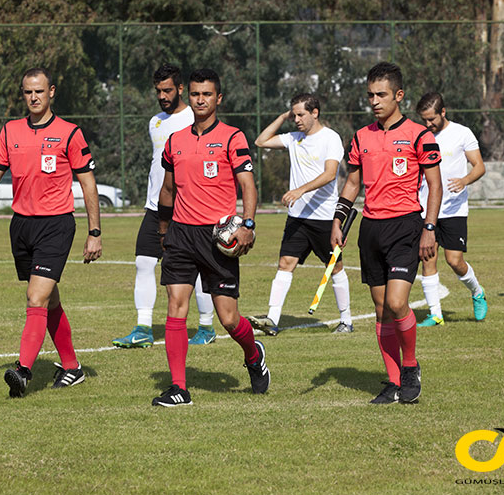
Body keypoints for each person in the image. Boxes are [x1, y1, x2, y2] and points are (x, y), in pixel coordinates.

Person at [0, 67, 102, 398]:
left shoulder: (70, 133)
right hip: (21, 226)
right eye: (27, 92)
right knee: (47, 300)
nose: (33, 97)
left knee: (36, 298)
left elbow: (88, 184)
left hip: (56, 225)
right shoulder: (10, 131)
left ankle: (23, 371)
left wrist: (95, 231)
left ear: (51, 92)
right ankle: (72, 368)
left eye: (39, 91)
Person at [152, 68, 269, 407]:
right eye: (194, 94)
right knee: (176, 308)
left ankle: (252, 352)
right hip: (181, 234)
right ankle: (179, 388)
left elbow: (247, 185)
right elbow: (168, 189)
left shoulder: (233, 138)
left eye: (206, 94)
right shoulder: (175, 141)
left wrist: (248, 224)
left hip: (219, 237)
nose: (200, 100)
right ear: (188, 97)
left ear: (218, 98)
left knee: (229, 318)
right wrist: (163, 230)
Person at [331, 62, 442, 405]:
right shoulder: (361, 137)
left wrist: (429, 228)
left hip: (406, 226)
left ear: (399, 95)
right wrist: (338, 220)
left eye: (381, 95)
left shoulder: (420, 135)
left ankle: (410, 367)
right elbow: (352, 182)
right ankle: (393, 383)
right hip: (371, 228)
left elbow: (436, 188)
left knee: (397, 303)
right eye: (370, 95)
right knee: (381, 311)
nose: (374, 101)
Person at [112, 63, 216, 349]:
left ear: (181, 89)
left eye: (168, 90)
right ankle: (143, 327)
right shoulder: (154, 122)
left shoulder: (193, 118)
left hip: (188, 209)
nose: (162, 95)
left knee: (196, 271)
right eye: (158, 91)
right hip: (156, 206)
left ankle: (206, 327)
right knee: (143, 262)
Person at [249, 93, 353, 336]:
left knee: (335, 268)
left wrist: (300, 190)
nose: (296, 119)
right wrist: (283, 115)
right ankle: (272, 320)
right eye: (293, 115)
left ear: (315, 113)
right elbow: (261, 141)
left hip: (324, 218)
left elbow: (330, 175)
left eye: (300, 114)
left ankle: (346, 320)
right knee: (285, 264)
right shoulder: (293, 138)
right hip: (297, 218)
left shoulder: (331, 138)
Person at [414, 92, 488, 327]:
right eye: (424, 120)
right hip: (426, 208)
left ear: (443, 112)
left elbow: (479, 167)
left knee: (454, 261)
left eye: (431, 119)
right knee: (427, 258)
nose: (428, 125)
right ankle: (435, 314)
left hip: (454, 208)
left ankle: (477, 292)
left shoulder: (462, 133)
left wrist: (465, 181)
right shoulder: (420, 136)